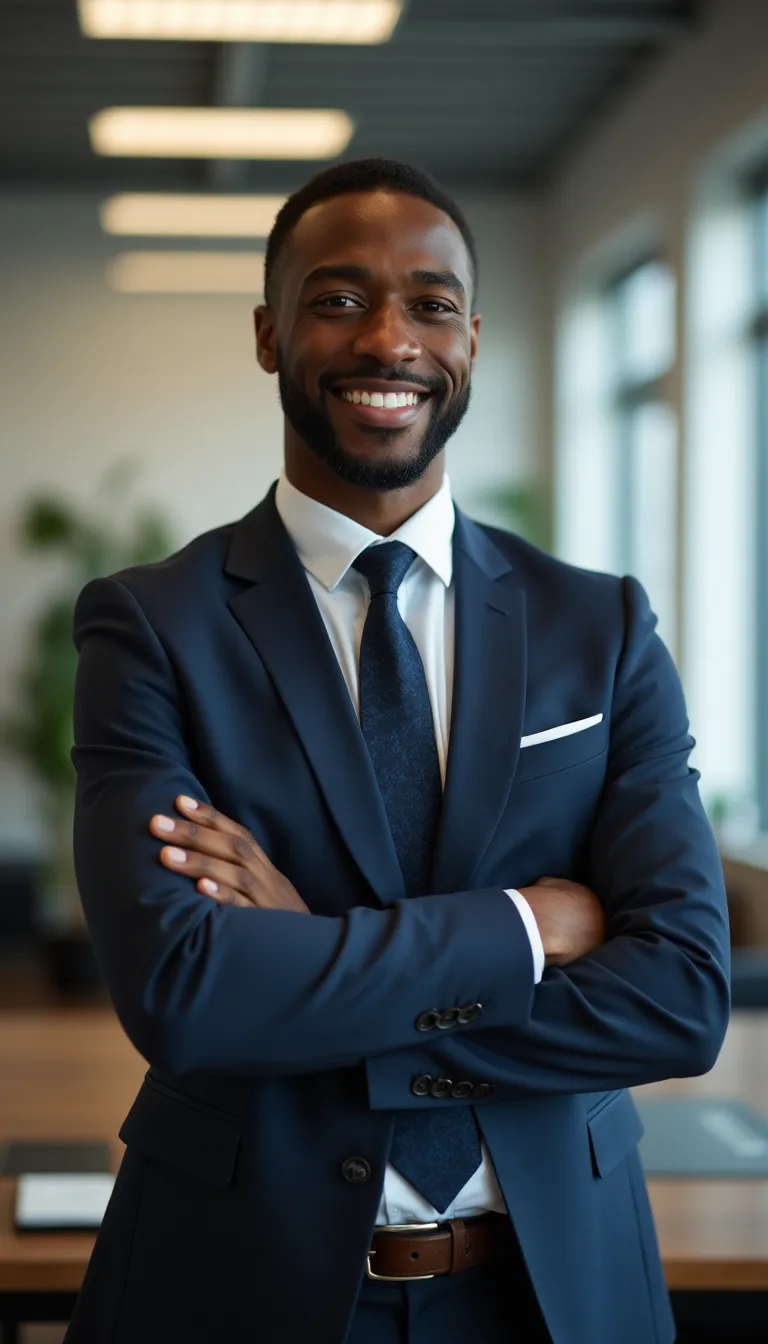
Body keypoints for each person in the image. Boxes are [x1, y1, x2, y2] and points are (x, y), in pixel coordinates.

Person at [64, 158, 730, 1344]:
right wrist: (528, 928)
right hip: (238, 1280)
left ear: (470, 337)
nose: (389, 339)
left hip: (552, 1290)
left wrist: (309, 958)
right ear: (270, 335)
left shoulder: (600, 626)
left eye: (429, 303)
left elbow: (678, 1000)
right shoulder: (152, 625)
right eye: (337, 299)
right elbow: (188, 993)